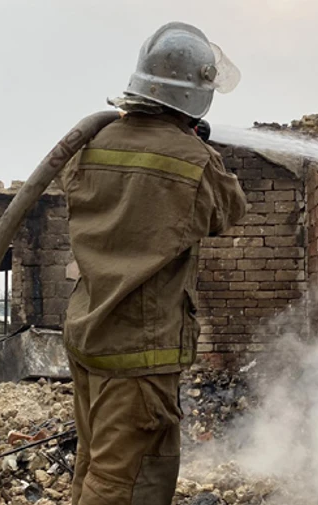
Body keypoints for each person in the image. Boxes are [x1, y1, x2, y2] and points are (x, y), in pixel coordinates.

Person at [61, 22, 247, 505]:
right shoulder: (194, 160)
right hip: (139, 354)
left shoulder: (90, 144)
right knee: (126, 485)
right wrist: (198, 145)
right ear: (196, 94)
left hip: (89, 334)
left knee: (96, 464)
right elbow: (230, 209)